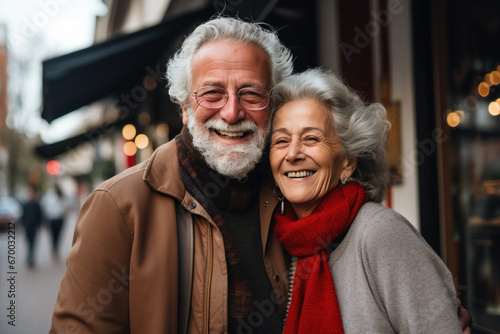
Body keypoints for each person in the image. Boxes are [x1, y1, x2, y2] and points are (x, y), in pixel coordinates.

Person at [50, 17, 471, 334]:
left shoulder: (292, 199)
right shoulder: (119, 206)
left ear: (269, 106)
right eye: (212, 92)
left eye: (250, 93)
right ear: (183, 106)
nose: (232, 112)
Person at [269, 68, 463, 333]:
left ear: (348, 162)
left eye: (311, 138)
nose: (292, 154)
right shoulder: (278, 241)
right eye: (280, 140)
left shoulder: (381, 232)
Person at [41, 184, 68, 258]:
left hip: (60, 218)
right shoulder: (49, 195)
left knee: (58, 234)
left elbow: (65, 206)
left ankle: (56, 248)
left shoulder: (61, 196)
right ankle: (54, 248)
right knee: (52, 235)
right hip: (52, 218)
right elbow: (45, 205)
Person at [21, 186, 42, 267]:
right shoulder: (25, 204)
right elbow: (23, 215)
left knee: (32, 243)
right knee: (28, 242)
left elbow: (39, 216)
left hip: (34, 226)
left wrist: (39, 225)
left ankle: (30, 258)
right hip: (27, 226)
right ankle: (29, 256)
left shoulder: (37, 205)